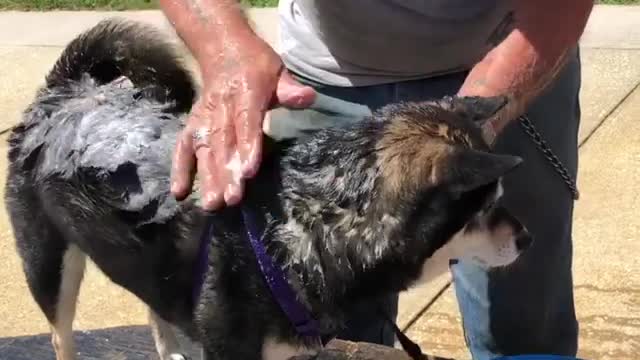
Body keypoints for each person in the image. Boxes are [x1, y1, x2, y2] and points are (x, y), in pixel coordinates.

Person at [158, 1, 594, 358]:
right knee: (324, 339)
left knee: (524, 333)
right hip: (323, 81)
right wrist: (223, 45)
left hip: (509, 58)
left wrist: (471, 122)